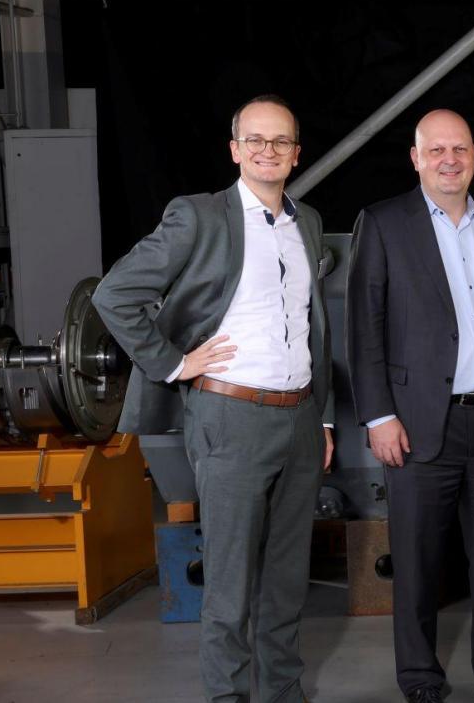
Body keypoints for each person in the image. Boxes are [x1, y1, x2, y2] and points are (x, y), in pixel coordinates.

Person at [93, 94, 334, 703]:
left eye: (280, 141)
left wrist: (324, 417)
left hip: (302, 418)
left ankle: (283, 694)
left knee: (285, 581)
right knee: (229, 584)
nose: (268, 151)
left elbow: (311, 324)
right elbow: (114, 293)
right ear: (234, 150)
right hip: (231, 417)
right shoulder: (199, 217)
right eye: (255, 140)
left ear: (296, 153)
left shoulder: (303, 222)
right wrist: (174, 363)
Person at [346, 109, 474, 703]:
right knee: (417, 561)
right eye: (435, 149)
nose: (448, 159)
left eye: (458, 148)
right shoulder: (383, 224)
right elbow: (365, 326)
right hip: (415, 423)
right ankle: (420, 680)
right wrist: (379, 415)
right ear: (415, 158)